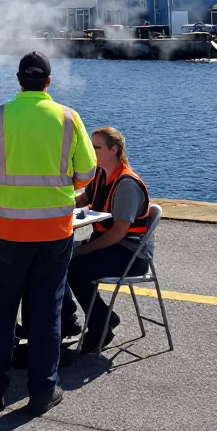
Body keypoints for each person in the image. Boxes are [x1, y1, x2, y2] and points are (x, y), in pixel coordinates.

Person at [0, 51, 96, 416]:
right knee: (47, 310)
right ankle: (42, 392)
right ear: (48, 83)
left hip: (8, 230)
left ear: (19, 81)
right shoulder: (69, 118)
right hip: (55, 230)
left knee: (3, 307)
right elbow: (86, 173)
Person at [66, 126, 152, 352]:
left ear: (114, 149)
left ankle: (100, 326)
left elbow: (118, 232)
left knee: (75, 267)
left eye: (97, 147)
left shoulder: (126, 184)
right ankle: (75, 319)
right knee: (56, 254)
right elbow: (82, 200)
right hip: (110, 246)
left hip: (129, 254)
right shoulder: (101, 175)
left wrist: (84, 250)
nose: (91, 151)